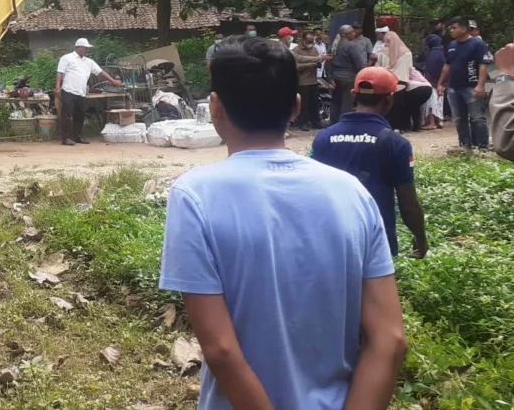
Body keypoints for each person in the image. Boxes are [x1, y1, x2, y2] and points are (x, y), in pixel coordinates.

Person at [159, 37, 407, 410]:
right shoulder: (351, 193)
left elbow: (222, 350)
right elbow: (389, 340)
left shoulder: (195, 195)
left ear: (214, 108)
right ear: (295, 106)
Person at [312, 67, 429, 259]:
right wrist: (421, 239)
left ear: (353, 95)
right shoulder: (396, 144)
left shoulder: (324, 138)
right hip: (376, 241)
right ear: (390, 99)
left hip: (331, 241)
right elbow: (408, 205)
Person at [55, 38, 123, 146]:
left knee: (80, 115)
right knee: (67, 115)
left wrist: (112, 80)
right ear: (79, 48)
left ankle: (77, 136)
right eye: (86, 48)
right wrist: (57, 87)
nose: (87, 50)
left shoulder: (88, 62)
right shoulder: (66, 58)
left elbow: (100, 72)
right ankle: (66, 138)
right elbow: (60, 73)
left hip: (81, 92)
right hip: (68, 90)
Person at [438, 17, 489, 150]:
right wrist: (441, 83)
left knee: (477, 118)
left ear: (464, 29)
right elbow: (447, 65)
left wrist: (480, 85)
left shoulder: (477, 44)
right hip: (454, 87)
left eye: (454, 28)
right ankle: (465, 144)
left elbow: (483, 65)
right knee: (459, 118)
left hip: (471, 86)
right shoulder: (452, 45)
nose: (451, 31)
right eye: (450, 28)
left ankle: (482, 145)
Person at [377, 31, 432, 132]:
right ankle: (402, 127)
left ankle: (388, 127)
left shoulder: (381, 52)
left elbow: (378, 68)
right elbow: (410, 69)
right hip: (401, 84)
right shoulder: (407, 52)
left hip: (386, 82)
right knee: (400, 107)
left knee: (388, 106)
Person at [330, 24, 369, 122]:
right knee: (347, 102)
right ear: (347, 34)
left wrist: (330, 77)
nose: (354, 34)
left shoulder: (334, 45)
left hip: (335, 76)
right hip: (348, 77)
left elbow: (328, 61)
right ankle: (345, 122)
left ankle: (333, 122)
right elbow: (359, 62)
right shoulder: (351, 45)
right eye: (352, 32)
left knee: (336, 101)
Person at [293, 31, 325, 130]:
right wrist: (309, 65)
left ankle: (316, 122)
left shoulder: (314, 49)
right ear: (303, 40)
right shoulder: (296, 50)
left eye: (312, 41)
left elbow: (318, 61)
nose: (310, 43)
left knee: (314, 103)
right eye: (308, 41)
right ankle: (303, 123)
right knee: (303, 105)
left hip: (313, 80)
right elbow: (295, 66)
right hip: (303, 82)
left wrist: (320, 61)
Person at [491, 43, 514, 161]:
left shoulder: (479, 47)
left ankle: (480, 144)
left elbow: (487, 72)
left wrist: (505, 78)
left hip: (498, 84)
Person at [421, 32, 446, 130]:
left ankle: (431, 122)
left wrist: (430, 79)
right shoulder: (441, 52)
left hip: (433, 81)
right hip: (441, 81)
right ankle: (437, 121)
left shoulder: (432, 54)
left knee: (431, 101)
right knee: (439, 101)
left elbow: (431, 69)